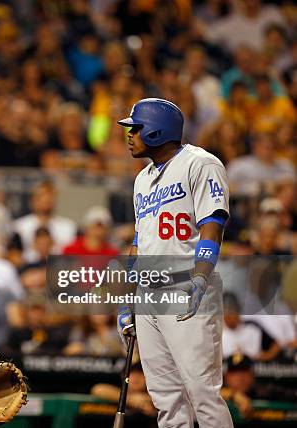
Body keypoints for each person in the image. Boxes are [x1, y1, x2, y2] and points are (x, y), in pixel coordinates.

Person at [116, 98, 233, 427]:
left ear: (156, 130)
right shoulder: (142, 179)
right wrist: (128, 297)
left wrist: (200, 277)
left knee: (202, 392)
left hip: (186, 285)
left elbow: (213, 224)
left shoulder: (201, 163)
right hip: (149, 292)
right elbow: (139, 242)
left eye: (135, 128)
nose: (129, 134)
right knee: (165, 397)